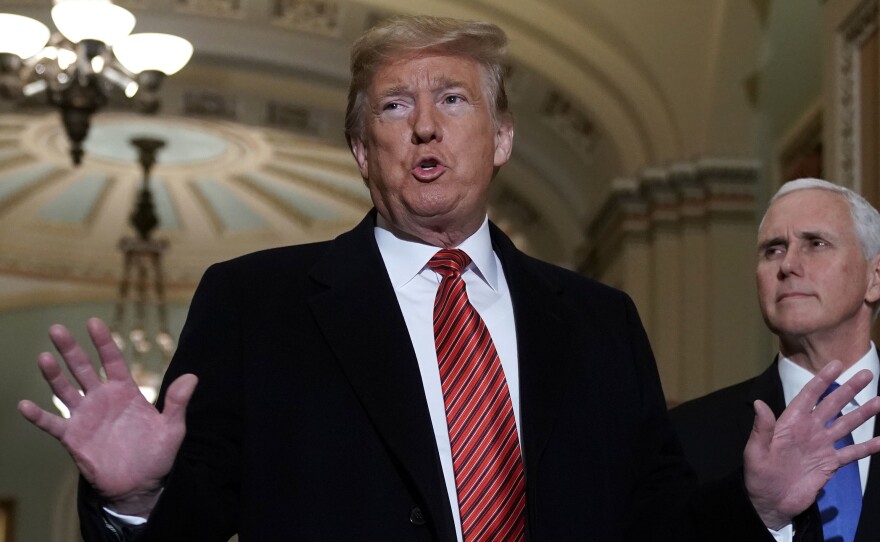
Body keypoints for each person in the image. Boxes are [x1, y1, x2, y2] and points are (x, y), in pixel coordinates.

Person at [17, 17, 880, 542]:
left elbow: (653, 532)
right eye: (395, 107)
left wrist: (759, 507)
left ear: (502, 137)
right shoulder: (258, 304)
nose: (425, 126)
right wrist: (133, 498)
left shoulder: (597, 320)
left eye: (455, 100)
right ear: (364, 152)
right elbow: (192, 530)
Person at [669, 177, 880, 542]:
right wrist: (762, 511)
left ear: (874, 278)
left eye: (816, 243)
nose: (788, 265)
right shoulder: (688, 435)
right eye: (773, 250)